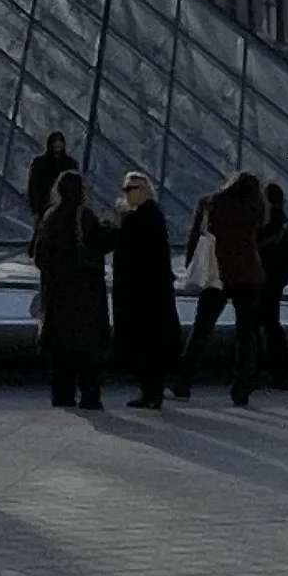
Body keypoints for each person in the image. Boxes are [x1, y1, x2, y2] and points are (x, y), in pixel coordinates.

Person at [34, 170, 112, 411]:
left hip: (57, 294)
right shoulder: (84, 215)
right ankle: (90, 396)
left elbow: (39, 256)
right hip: (84, 293)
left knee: (60, 351)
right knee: (86, 351)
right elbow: (100, 244)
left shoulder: (50, 217)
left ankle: (62, 395)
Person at [185, 171, 265, 405]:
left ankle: (184, 380)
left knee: (202, 329)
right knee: (247, 335)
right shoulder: (255, 207)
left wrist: (191, 265)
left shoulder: (210, 203)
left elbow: (195, 236)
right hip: (249, 275)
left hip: (216, 274)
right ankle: (242, 387)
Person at [108, 171, 183, 411]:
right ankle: (152, 391)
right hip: (150, 292)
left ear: (144, 190)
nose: (126, 193)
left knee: (145, 344)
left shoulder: (143, 217)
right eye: (125, 189)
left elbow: (133, 254)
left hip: (142, 294)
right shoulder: (149, 215)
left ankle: (150, 392)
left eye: (131, 189)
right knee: (151, 345)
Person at [258, 181, 288, 390]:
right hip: (277, 281)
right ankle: (281, 373)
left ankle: (253, 372)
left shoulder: (261, 225)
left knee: (253, 327)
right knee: (273, 326)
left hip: (258, 279)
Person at [25, 132, 73, 228]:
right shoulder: (40, 162)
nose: (58, 144)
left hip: (65, 208)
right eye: (55, 141)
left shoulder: (70, 163)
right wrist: (35, 208)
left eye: (60, 141)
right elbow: (33, 186)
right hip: (43, 205)